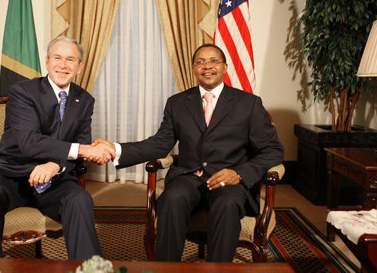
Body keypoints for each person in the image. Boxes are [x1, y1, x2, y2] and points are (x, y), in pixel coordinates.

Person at [93, 44, 284, 262]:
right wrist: (115, 149)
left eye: (214, 61)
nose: (207, 66)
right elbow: (159, 144)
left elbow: (273, 150)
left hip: (228, 182)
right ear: (193, 69)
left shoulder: (248, 103)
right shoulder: (177, 103)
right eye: (200, 62)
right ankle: (166, 268)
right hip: (187, 177)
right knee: (172, 198)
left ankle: (218, 269)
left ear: (225, 67)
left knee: (227, 204)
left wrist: (239, 174)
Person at [0, 36, 114, 259]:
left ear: (79, 67)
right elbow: (29, 142)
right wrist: (84, 150)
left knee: (80, 199)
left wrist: (55, 165)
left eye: (70, 59)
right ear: (47, 62)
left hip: (54, 180)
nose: (63, 65)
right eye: (57, 58)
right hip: (11, 172)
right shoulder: (23, 92)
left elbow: (80, 142)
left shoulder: (84, 100)